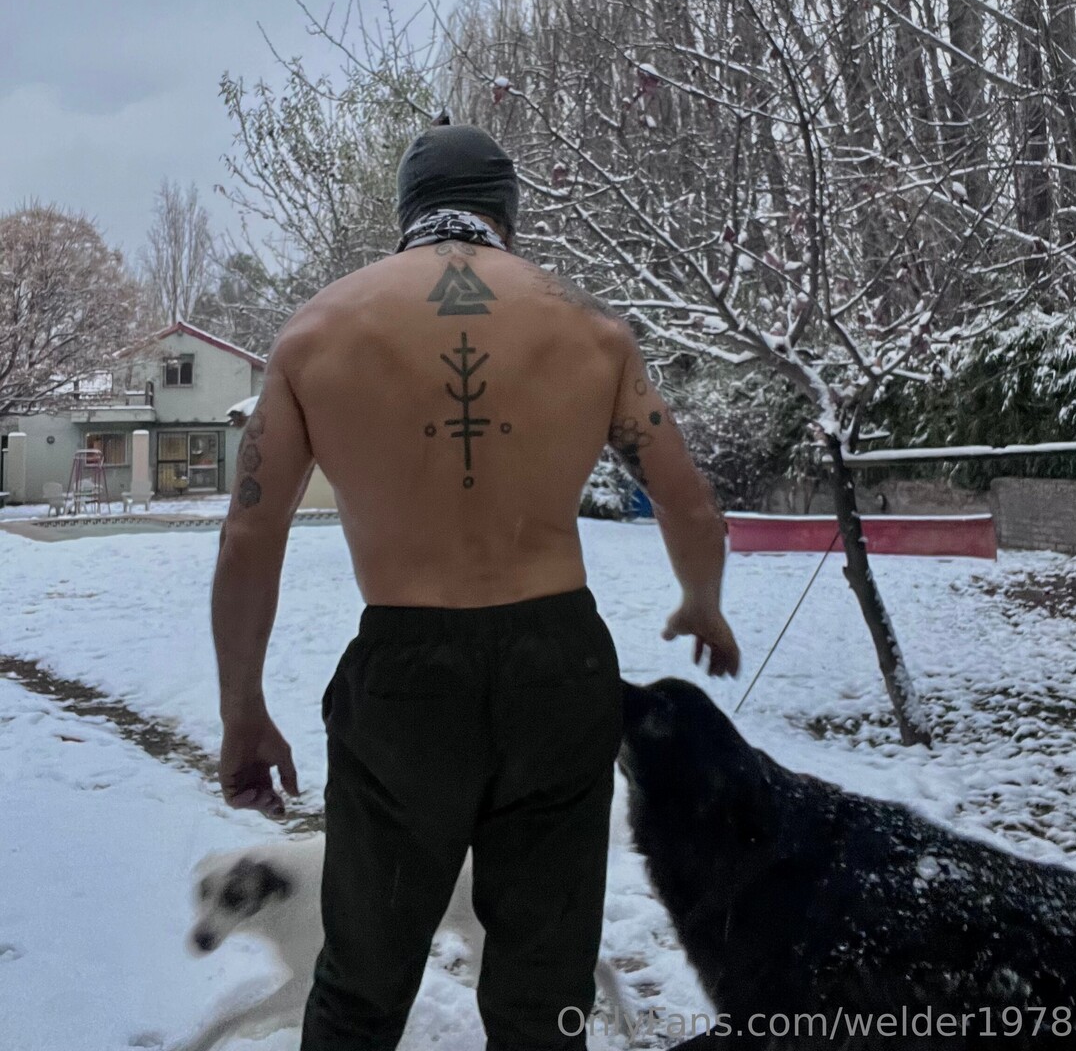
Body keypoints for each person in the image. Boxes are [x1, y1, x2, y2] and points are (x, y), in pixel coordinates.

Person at [210, 123, 740, 1051]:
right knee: (544, 988)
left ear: (407, 212)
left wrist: (243, 708)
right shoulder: (590, 327)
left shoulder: (319, 330)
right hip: (558, 669)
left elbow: (252, 533)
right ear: (507, 214)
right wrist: (701, 601)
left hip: (405, 679)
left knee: (361, 979)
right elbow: (689, 504)